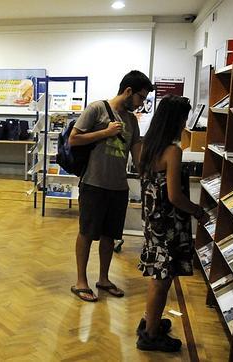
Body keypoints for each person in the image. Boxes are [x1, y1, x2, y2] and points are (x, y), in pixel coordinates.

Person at [69, 70, 153, 302]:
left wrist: (145, 173)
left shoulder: (131, 120)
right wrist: (105, 132)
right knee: (87, 233)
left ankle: (103, 279)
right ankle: (80, 281)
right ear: (128, 91)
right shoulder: (97, 109)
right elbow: (73, 139)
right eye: (140, 98)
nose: (141, 104)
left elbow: (136, 152)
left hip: (118, 187)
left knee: (109, 236)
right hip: (94, 183)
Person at [136, 95, 207, 352]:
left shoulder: (147, 147)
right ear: (175, 121)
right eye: (183, 119)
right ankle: (150, 335)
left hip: (154, 223)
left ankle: (149, 322)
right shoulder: (172, 151)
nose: (184, 124)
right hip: (168, 226)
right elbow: (176, 196)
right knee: (161, 280)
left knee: (158, 276)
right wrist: (198, 211)